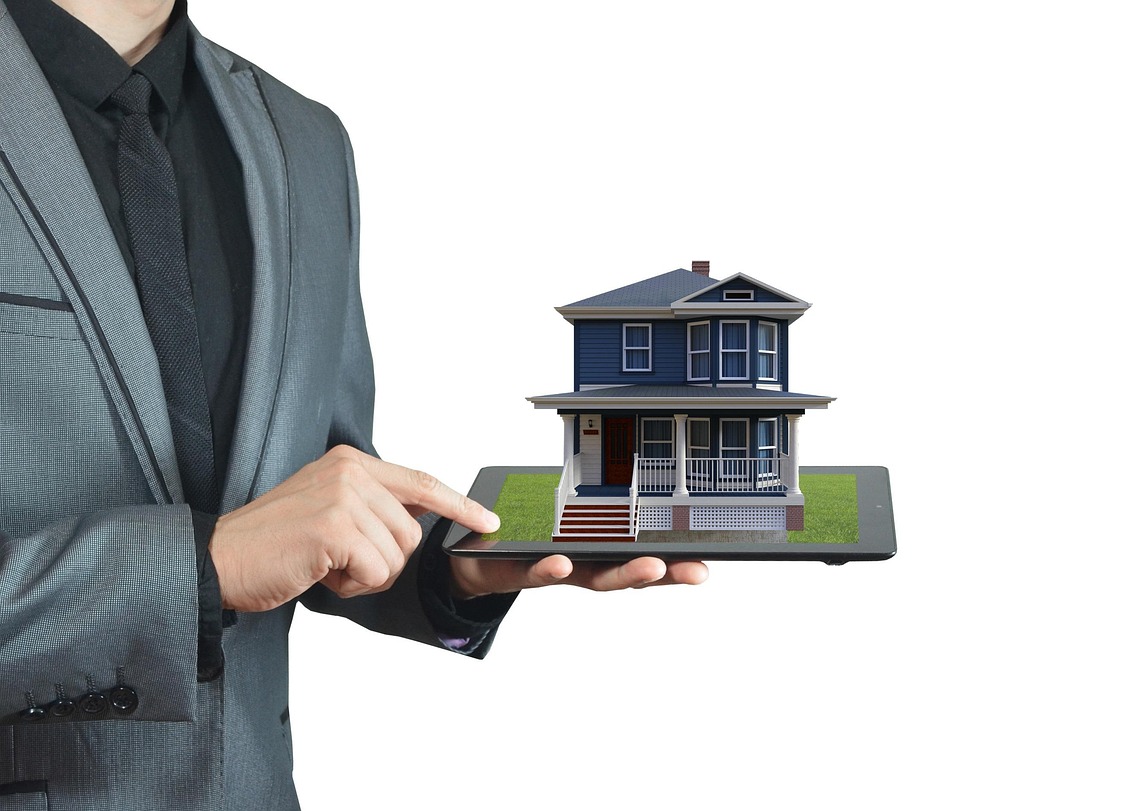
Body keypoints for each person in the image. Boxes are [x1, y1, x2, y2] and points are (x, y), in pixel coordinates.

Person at [0, 1, 707, 807]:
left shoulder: (304, 141)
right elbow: (235, 552)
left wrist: (453, 569)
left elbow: (309, 494)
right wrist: (203, 567)